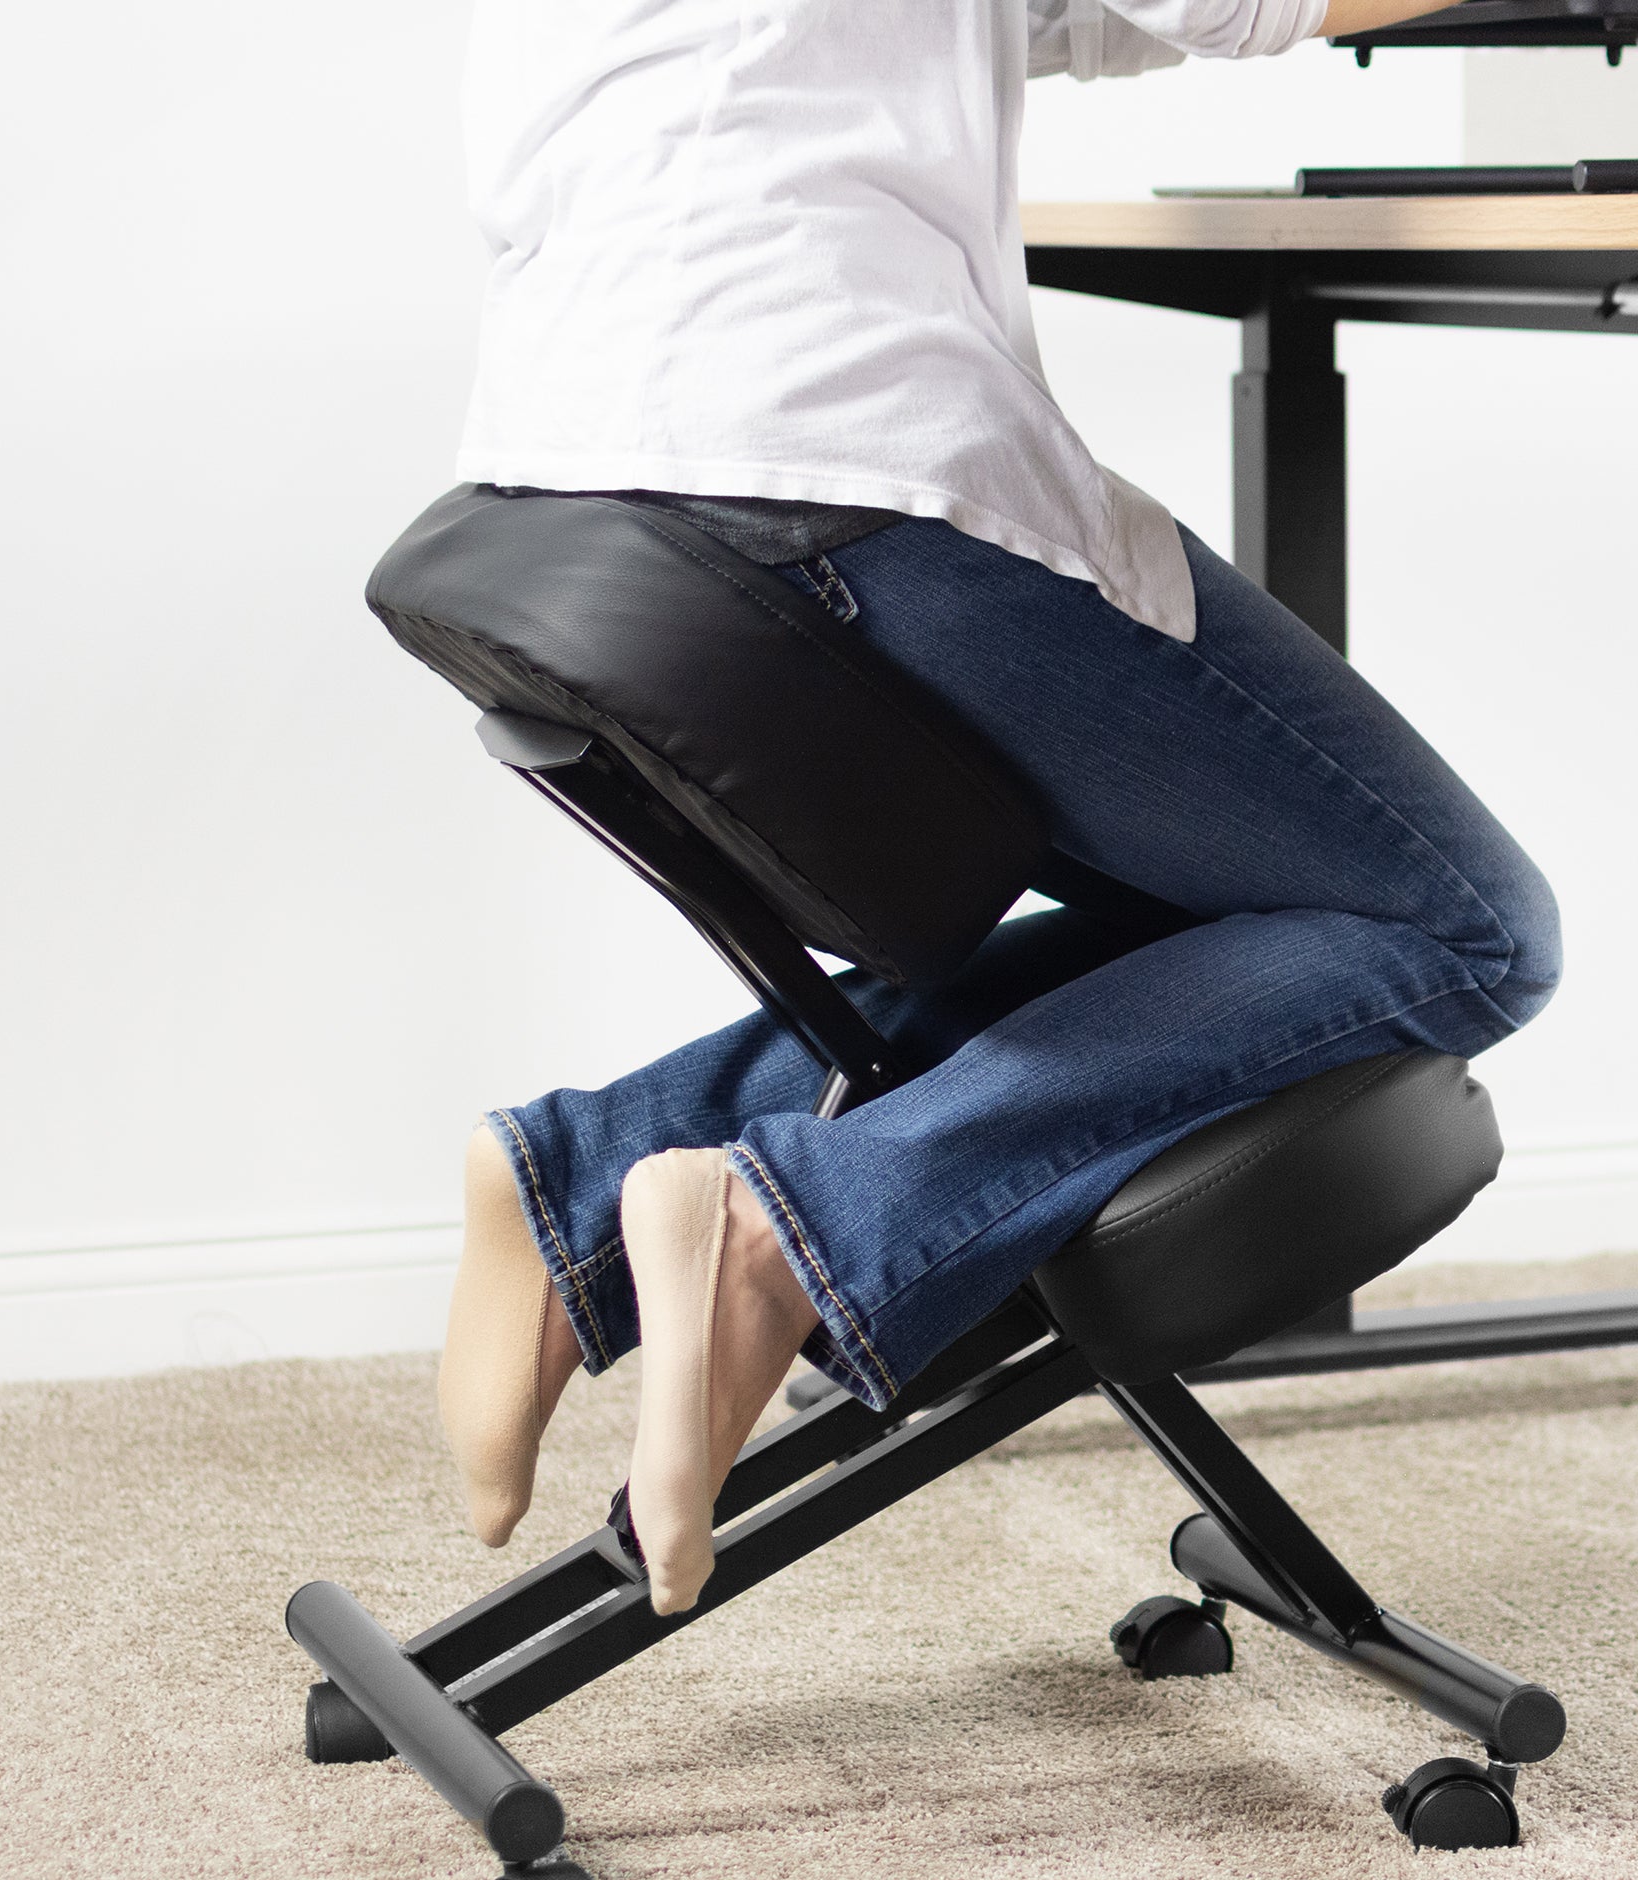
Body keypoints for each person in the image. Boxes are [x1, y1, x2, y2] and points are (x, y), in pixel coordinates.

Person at [435, 0, 1562, 1617]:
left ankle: (600, 1171)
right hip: (827, 450)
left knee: (1262, 903)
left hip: (596, 435)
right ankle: (785, 1220)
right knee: (1465, 923)